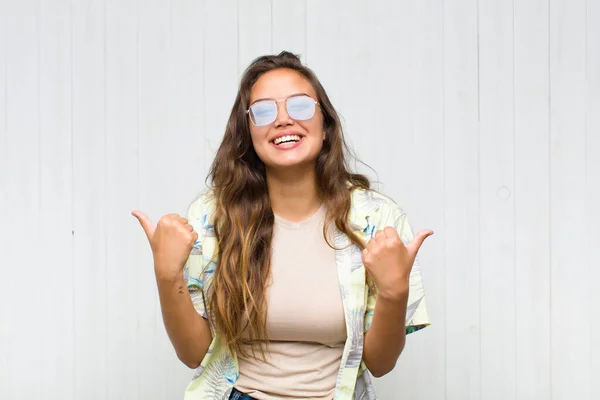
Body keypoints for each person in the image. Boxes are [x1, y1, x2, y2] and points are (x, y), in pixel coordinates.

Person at [132, 51, 432, 400]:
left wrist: (395, 294)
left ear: (326, 127)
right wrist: (167, 276)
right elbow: (193, 354)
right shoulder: (211, 217)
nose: (284, 119)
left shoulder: (376, 221)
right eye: (263, 111)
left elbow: (380, 363)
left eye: (301, 106)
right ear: (248, 133)